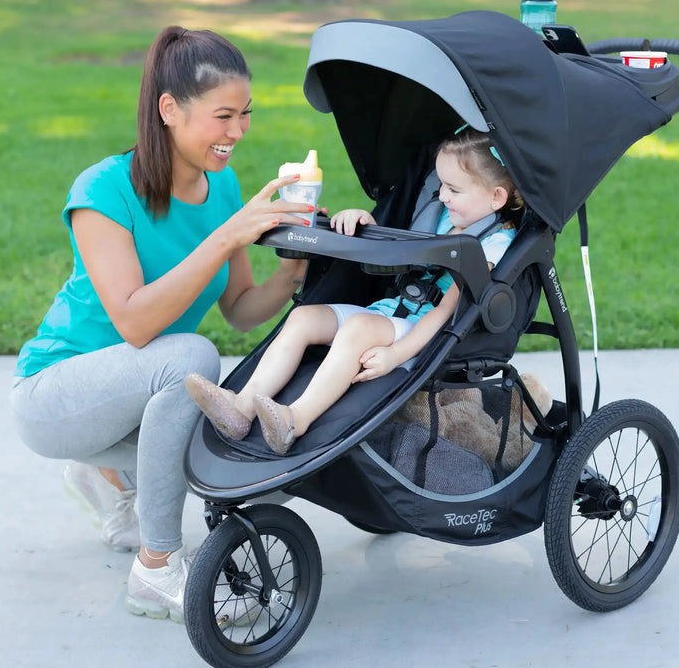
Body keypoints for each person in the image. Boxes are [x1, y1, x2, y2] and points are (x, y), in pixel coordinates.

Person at [9, 25, 314, 624]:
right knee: (193, 357)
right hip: (54, 393)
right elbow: (137, 324)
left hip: (128, 395)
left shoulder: (221, 186)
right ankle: (155, 569)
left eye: (245, 113)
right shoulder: (103, 189)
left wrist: (292, 273)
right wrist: (228, 234)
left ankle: (106, 479)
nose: (238, 131)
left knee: (231, 451)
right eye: (223, 115)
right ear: (169, 110)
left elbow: (240, 306)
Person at [186, 128, 524, 456]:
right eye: (441, 187)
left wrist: (397, 355)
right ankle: (242, 409)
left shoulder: (493, 246)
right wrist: (364, 222)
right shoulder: (441, 218)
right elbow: (398, 251)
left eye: (454, 189)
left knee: (359, 328)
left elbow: (446, 312)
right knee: (303, 318)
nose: (443, 196)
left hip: (427, 337)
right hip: (392, 311)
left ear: (496, 197)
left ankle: (296, 419)